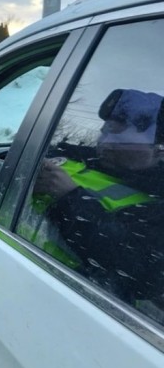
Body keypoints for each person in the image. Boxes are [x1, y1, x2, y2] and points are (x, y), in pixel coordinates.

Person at [33, 88, 164, 311]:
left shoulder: (156, 202)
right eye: (104, 132)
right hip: (37, 277)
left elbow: (142, 272)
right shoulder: (75, 156)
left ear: (158, 149)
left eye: (118, 135)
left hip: (81, 303)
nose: (105, 142)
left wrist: (71, 199)